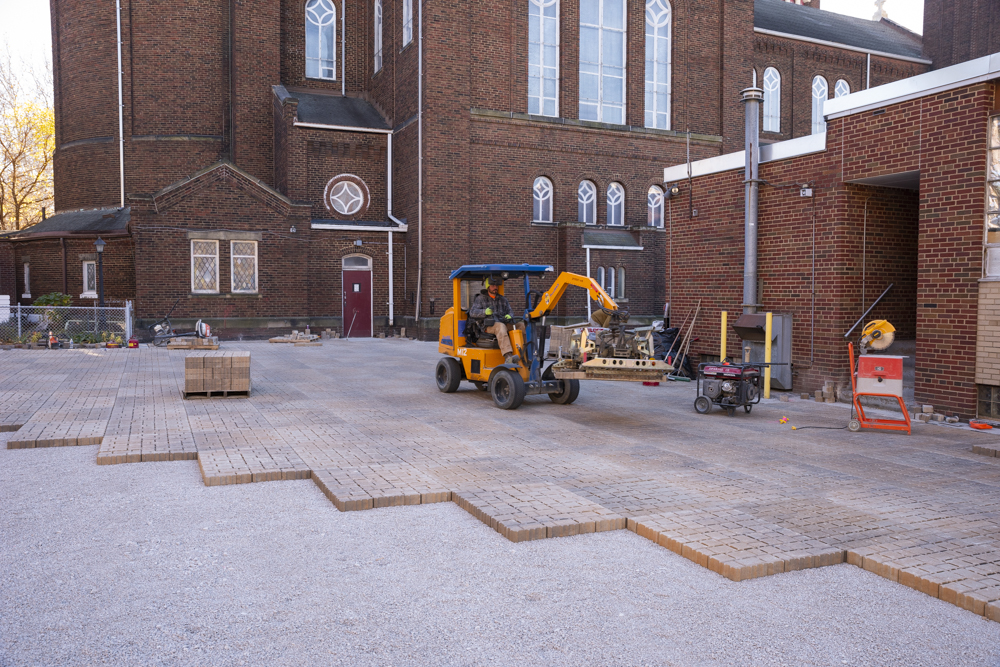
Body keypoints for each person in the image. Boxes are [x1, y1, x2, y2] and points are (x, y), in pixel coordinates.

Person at [469, 275, 519, 365]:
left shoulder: (502, 299)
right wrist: (485, 312)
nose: (495, 287)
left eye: (496, 285)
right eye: (492, 285)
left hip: (503, 322)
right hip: (488, 326)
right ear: (488, 286)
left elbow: (510, 311)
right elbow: (472, 312)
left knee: (521, 326)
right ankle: (508, 356)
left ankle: (525, 353)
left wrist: (509, 315)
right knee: (500, 326)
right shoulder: (480, 299)